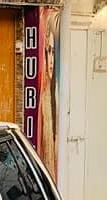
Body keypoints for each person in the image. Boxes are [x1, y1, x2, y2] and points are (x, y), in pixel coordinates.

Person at [38, 10, 59, 178]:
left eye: (53, 52)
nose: (50, 60)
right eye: (48, 51)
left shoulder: (60, 95)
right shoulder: (43, 98)